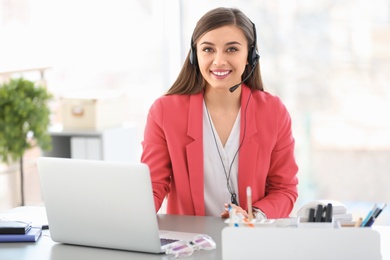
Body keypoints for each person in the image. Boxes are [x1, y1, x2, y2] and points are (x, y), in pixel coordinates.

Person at [141, 7, 298, 220]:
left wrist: (254, 216)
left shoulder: (273, 111)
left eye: (232, 49)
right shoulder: (165, 112)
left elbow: (284, 189)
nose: (219, 61)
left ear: (250, 56)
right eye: (208, 49)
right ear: (195, 55)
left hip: (250, 240)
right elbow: (153, 186)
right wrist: (132, 217)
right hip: (190, 245)